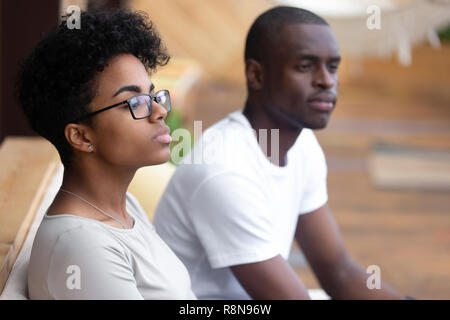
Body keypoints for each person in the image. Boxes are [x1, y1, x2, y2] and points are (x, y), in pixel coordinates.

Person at [153, 6, 405, 299]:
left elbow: (338, 270)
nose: (326, 81)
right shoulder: (224, 170)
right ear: (256, 75)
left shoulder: (303, 144)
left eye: (332, 67)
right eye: (305, 66)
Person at [18, 9, 196, 300]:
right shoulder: (82, 246)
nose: (160, 111)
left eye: (152, 95)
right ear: (81, 136)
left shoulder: (125, 207)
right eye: (133, 102)